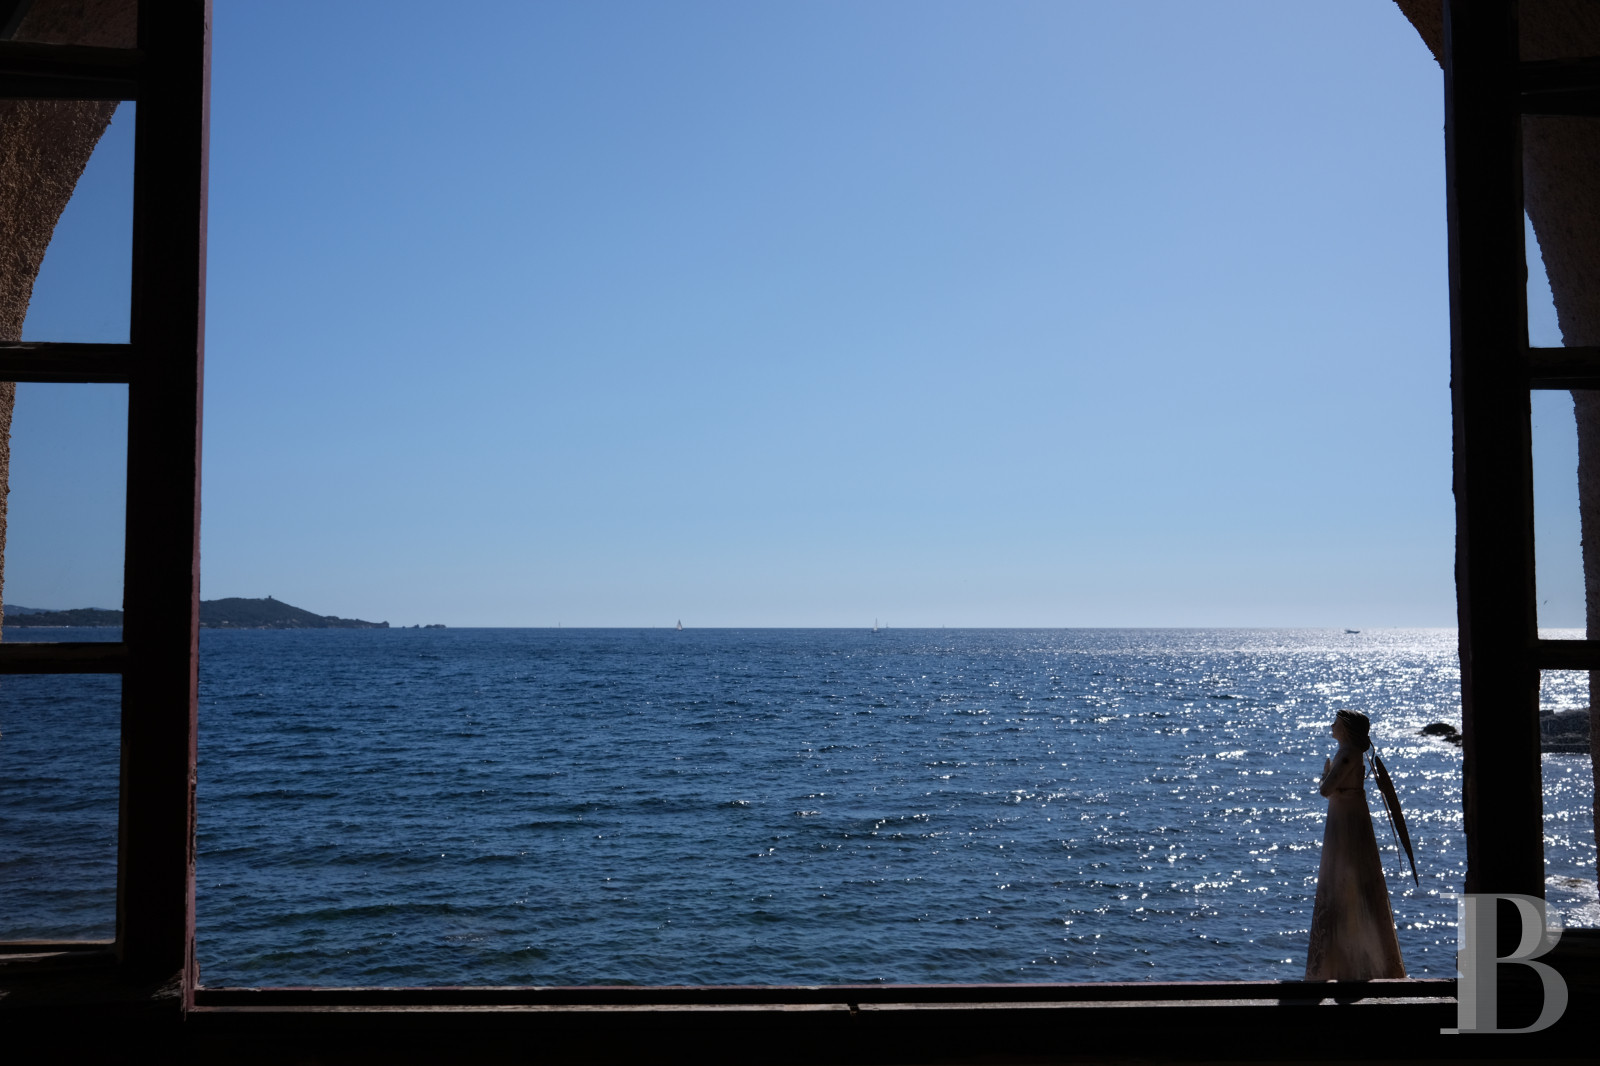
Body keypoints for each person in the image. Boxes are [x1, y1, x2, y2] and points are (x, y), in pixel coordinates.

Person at [1304, 710, 1407, 980]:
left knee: (1345, 867)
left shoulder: (1348, 754)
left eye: (1336, 723)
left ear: (1346, 728)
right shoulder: (1349, 753)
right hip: (1347, 809)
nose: (1331, 726)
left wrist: (1324, 774)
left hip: (1345, 815)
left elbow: (1326, 789)